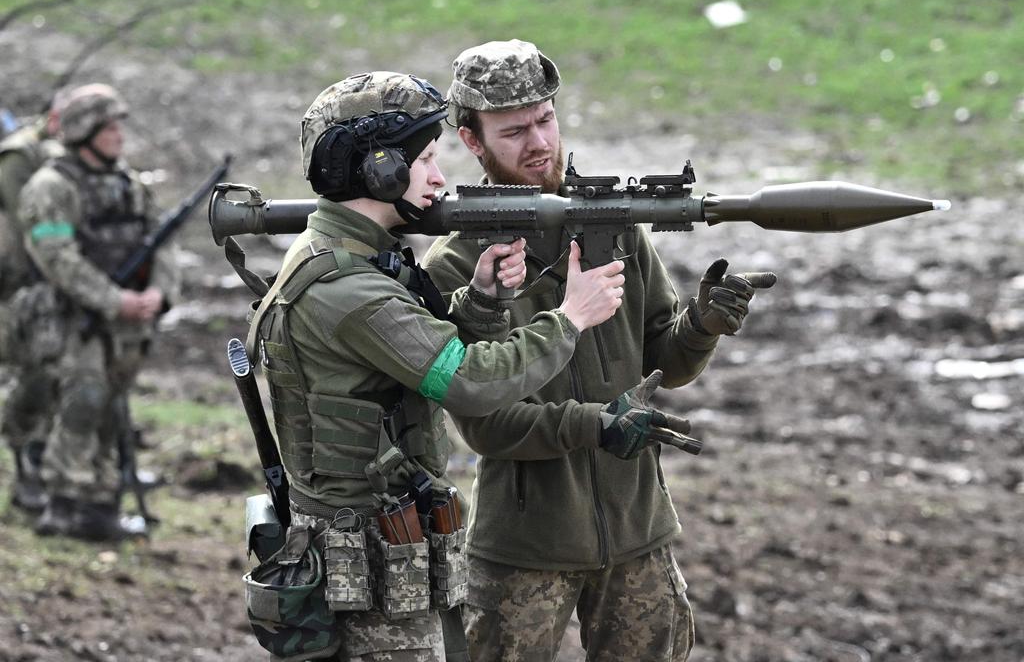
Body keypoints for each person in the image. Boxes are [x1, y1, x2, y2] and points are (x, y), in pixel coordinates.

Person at [241, 70, 682, 662]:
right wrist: (571, 317)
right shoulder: (348, 287)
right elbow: (470, 382)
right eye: (423, 160)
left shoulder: (361, 261)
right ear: (379, 171)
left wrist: (480, 299)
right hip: (367, 567)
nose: (440, 178)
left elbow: (415, 347)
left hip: (385, 552)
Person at [422, 39, 776, 662]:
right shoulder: (458, 265)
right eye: (513, 131)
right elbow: (485, 426)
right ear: (472, 140)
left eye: (545, 120)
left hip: (637, 536)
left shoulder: (614, 225)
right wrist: (599, 426)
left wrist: (704, 322)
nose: (538, 143)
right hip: (524, 549)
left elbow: (664, 362)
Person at [17, 83, 179, 540]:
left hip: (127, 324)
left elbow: (162, 243)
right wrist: (114, 299)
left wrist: (160, 294)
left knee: (112, 408)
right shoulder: (51, 186)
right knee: (81, 401)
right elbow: (56, 256)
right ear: (84, 131)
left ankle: (100, 503)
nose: (118, 136)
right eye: (108, 128)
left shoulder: (130, 184)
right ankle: (64, 502)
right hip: (75, 317)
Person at [0, 88, 71, 511]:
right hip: (18, 286)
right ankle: (26, 462)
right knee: (33, 373)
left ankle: (53, 464)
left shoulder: (65, 159)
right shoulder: (19, 157)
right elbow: (34, 222)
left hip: (53, 281)